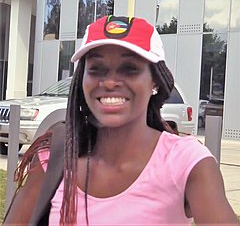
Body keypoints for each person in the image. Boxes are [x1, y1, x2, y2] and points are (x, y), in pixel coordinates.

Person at [3, 15, 239, 226]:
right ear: (81, 79)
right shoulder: (54, 158)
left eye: (129, 69)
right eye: (96, 68)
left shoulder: (186, 163)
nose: (110, 82)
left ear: (155, 81)